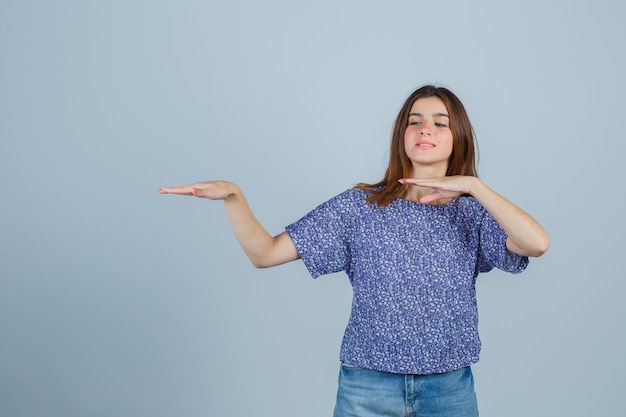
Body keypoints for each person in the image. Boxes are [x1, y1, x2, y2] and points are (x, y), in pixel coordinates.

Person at [158, 85, 550, 417]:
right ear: (401, 135)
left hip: (449, 389)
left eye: (439, 122)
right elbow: (265, 253)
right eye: (414, 120)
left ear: (458, 137)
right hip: (367, 387)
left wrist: (474, 187)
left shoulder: (473, 213)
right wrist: (234, 197)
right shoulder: (361, 206)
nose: (424, 128)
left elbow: (537, 244)